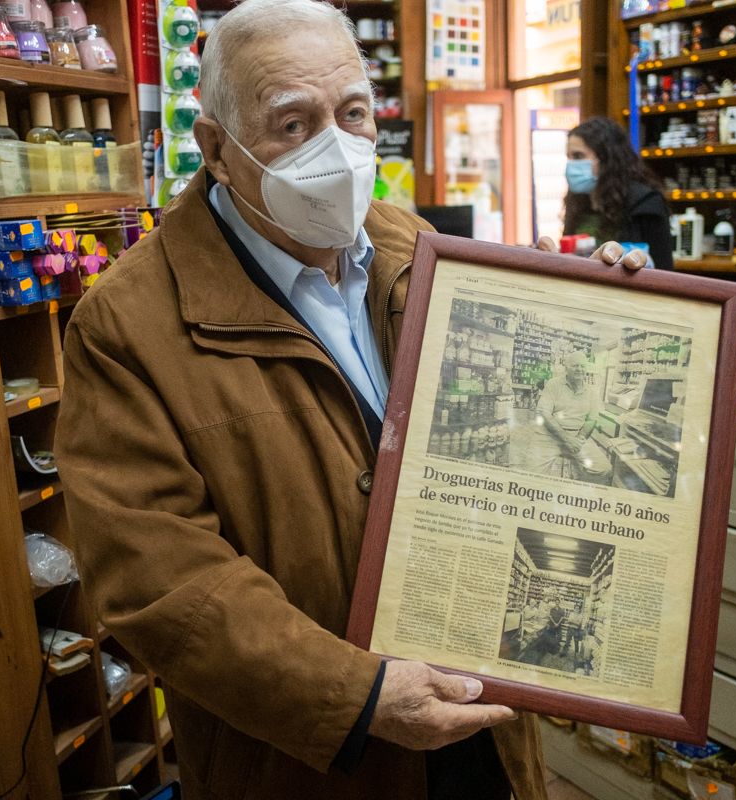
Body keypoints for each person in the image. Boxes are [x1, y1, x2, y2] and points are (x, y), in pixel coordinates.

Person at [54, 2, 645, 798]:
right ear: (217, 150)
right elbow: (157, 581)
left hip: (484, 729)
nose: (336, 146)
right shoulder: (127, 325)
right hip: (312, 759)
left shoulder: (424, 253)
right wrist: (356, 696)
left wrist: (587, 324)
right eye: (292, 124)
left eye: (352, 112)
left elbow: (517, 451)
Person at [563, 116, 674, 270]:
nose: (571, 165)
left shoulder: (646, 203)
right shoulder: (577, 202)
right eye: (568, 157)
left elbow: (664, 271)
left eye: (578, 156)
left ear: (606, 157)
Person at [528, 350, 613, 483]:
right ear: (566, 368)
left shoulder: (592, 392)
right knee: (532, 474)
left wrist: (579, 439)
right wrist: (567, 439)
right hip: (549, 435)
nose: (579, 369)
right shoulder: (553, 384)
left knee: (604, 468)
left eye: (582, 366)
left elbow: (591, 420)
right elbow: (543, 413)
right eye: (575, 366)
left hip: (577, 437)